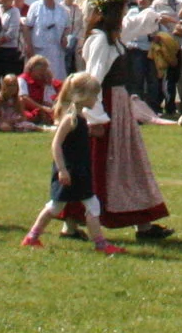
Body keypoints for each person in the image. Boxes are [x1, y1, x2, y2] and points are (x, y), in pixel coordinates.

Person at [72, 0, 173, 241]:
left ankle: (142, 223)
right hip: (106, 104)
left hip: (117, 103)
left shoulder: (112, 37)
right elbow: (93, 80)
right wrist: (96, 117)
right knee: (97, 164)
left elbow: (134, 26)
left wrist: (155, 16)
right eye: (124, 8)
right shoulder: (100, 40)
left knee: (127, 164)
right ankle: (72, 222)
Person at [22, 72, 125, 254]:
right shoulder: (71, 119)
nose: (96, 99)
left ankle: (33, 236)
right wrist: (62, 170)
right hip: (70, 171)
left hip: (80, 170)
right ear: (82, 96)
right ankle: (100, 245)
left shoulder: (81, 117)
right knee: (60, 206)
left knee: (80, 205)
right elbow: (56, 144)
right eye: (94, 95)